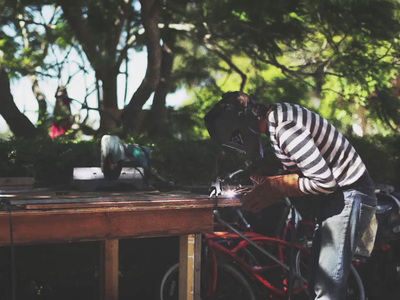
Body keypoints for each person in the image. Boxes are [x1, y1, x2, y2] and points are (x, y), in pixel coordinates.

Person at [204, 91, 377, 299]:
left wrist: (280, 186)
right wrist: (266, 172)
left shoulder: (285, 128)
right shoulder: (277, 118)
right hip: (339, 196)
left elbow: (324, 182)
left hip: (350, 194)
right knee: (316, 282)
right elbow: (299, 163)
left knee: (327, 287)